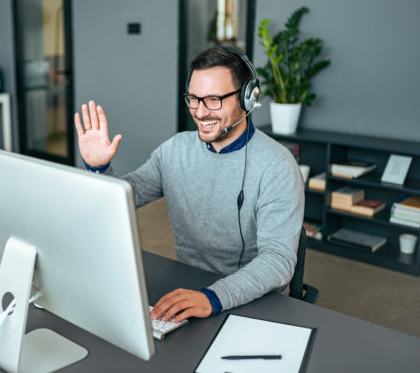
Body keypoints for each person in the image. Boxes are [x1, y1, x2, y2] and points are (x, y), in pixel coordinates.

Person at [74, 47, 304, 323]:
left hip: (255, 299)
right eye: (194, 99)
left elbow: (278, 261)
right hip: (188, 286)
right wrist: (99, 168)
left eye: (213, 100)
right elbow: (126, 196)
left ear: (247, 98)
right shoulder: (175, 150)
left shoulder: (277, 165)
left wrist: (213, 297)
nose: (200, 112)